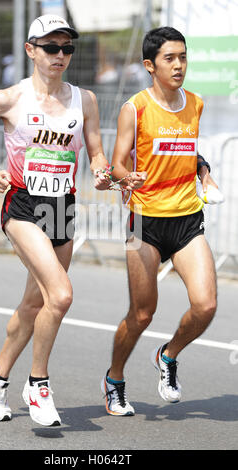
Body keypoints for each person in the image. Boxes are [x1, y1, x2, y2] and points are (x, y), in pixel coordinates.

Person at [0, 14, 145, 427]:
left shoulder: (85, 100)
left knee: (34, 303)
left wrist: (100, 170)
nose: (60, 56)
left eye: (67, 49)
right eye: (50, 48)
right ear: (30, 51)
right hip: (22, 207)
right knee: (60, 295)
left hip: (63, 208)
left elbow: (95, 151)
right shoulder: (10, 98)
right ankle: (37, 384)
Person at [101, 26, 218, 416]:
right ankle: (114, 379)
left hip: (186, 218)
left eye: (183, 57)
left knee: (205, 306)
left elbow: (187, 151)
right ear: (150, 65)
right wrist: (124, 176)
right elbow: (118, 160)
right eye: (170, 58)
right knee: (142, 313)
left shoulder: (196, 104)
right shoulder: (134, 108)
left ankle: (168, 355)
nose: (179, 65)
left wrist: (204, 172)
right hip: (144, 223)